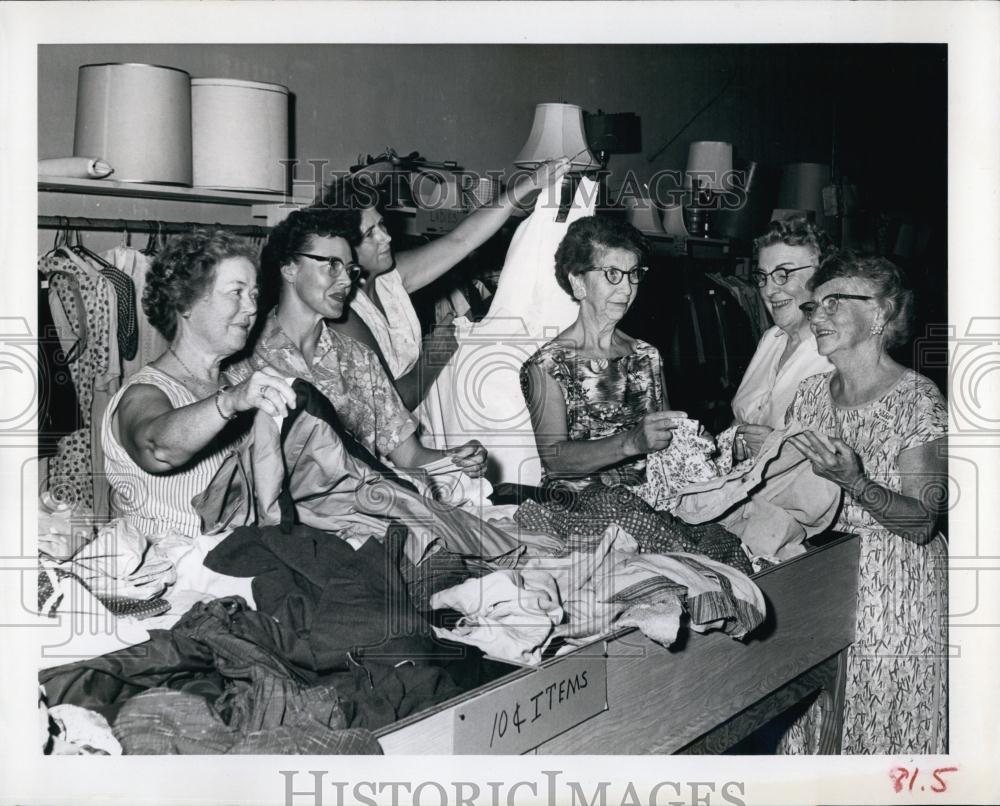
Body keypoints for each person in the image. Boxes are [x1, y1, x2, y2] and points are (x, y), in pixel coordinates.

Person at [783, 253, 948, 754]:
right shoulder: (809, 393)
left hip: (894, 592)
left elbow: (922, 522)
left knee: (879, 729)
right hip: (822, 579)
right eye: (815, 305)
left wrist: (856, 482)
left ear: (880, 313)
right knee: (816, 723)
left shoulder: (918, 399)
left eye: (835, 302)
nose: (817, 315)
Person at [229, 207, 486, 477]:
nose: (345, 281)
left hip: (367, 509)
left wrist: (456, 458)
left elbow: (410, 456)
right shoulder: (245, 360)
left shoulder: (360, 359)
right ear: (290, 269)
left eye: (349, 269)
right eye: (332, 265)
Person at [319, 157, 572, 409]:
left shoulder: (389, 279)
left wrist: (528, 184)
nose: (387, 237)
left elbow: (461, 240)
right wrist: (434, 355)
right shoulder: (344, 315)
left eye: (381, 224)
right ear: (343, 249)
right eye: (369, 234)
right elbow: (391, 405)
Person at [101, 230, 297, 538]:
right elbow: (157, 448)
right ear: (185, 303)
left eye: (254, 295)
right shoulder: (143, 392)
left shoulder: (235, 383)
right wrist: (229, 402)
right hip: (170, 574)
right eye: (236, 292)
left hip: (236, 563)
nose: (251, 308)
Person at [520, 216, 686, 492]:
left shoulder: (647, 355)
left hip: (654, 502)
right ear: (578, 283)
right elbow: (554, 459)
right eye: (612, 274)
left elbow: (668, 438)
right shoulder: (547, 366)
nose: (627, 288)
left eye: (633, 273)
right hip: (580, 509)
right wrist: (630, 442)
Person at [729, 215, 835, 457]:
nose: (768, 290)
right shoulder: (771, 339)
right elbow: (741, 419)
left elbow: (848, 458)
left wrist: (780, 448)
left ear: (822, 275)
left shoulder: (834, 356)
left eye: (783, 274)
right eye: (762, 276)